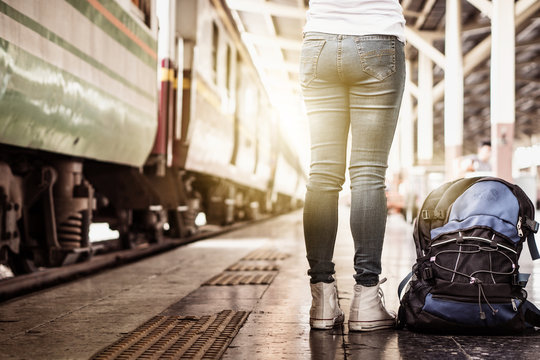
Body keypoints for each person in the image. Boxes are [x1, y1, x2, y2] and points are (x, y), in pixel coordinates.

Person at [300, 0, 406, 331]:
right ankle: (366, 300)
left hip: (319, 42)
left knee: (322, 175)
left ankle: (322, 301)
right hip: (378, 35)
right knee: (368, 174)